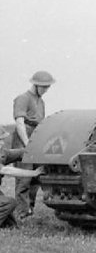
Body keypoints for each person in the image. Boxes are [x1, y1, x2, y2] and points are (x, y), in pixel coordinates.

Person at [12, 70, 55, 219]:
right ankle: (20, 213)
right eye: (44, 87)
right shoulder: (23, 98)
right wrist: (26, 143)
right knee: (23, 178)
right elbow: (19, 122)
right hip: (23, 138)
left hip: (36, 137)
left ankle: (29, 209)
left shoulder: (41, 101)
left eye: (48, 87)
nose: (46, 90)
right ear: (35, 85)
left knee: (36, 177)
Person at [0, 127, 43, 228]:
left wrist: (40, 151)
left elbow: (21, 153)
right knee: (8, 203)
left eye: (2, 140)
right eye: (0, 140)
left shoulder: (2, 153)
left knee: (11, 224)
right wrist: (34, 173)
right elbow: (6, 170)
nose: (2, 143)